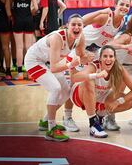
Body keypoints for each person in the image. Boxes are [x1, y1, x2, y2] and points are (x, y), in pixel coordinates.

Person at [24, 14, 88, 142]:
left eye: (79, 25)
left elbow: (82, 56)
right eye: (73, 24)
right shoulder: (57, 38)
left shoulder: (80, 38)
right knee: (55, 88)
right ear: (67, 26)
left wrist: (91, 59)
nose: (76, 27)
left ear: (82, 27)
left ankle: (46, 121)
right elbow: (54, 68)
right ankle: (51, 129)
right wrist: (71, 64)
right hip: (34, 61)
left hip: (50, 62)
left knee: (66, 92)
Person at [69, 45, 132, 138]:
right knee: (89, 80)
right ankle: (93, 124)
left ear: (115, 59)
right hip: (80, 95)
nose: (108, 59)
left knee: (129, 102)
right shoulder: (94, 66)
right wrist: (96, 75)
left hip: (100, 97)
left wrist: (118, 101)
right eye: (105, 56)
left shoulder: (119, 69)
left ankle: (101, 115)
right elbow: (74, 78)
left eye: (111, 56)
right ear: (100, 59)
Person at [9, 0, 38, 80]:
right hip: (28, 20)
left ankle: (20, 74)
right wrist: (29, 13)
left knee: (19, 47)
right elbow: (35, 7)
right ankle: (30, 73)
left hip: (18, 20)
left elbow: (10, 5)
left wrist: (13, 15)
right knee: (28, 47)